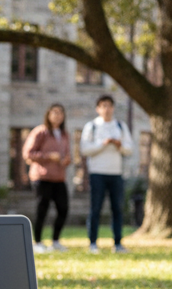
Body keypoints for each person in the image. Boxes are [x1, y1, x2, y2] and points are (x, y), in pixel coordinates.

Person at [80, 95, 133, 254]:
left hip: (115, 173)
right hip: (97, 173)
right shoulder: (92, 126)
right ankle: (93, 243)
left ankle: (117, 243)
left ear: (113, 108)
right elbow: (85, 149)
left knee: (117, 209)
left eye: (109, 105)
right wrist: (102, 144)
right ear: (98, 109)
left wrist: (119, 144)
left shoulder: (120, 126)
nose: (107, 109)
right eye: (103, 106)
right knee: (95, 208)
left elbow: (129, 149)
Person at [23, 103, 71, 253]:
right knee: (42, 209)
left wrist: (66, 160)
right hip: (42, 177)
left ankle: (55, 241)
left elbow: (67, 153)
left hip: (59, 177)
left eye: (61, 113)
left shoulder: (64, 134)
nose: (58, 116)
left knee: (63, 208)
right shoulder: (40, 132)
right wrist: (48, 157)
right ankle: (37, 242)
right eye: (55, 112)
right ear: (48, 115)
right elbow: (28, 154)